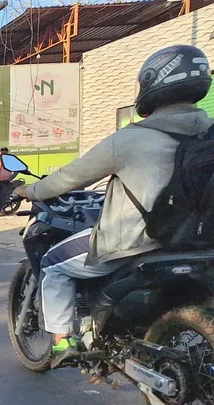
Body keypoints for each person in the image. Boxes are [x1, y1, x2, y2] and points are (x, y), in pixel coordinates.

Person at [11, 45, 214, 368]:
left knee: (52, 264)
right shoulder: (209, 132)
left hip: (137, 244)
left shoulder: (131, 138)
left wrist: (30, 190)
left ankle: (65, 340)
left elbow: (68, 178)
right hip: (197, 244)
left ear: (151, 83)